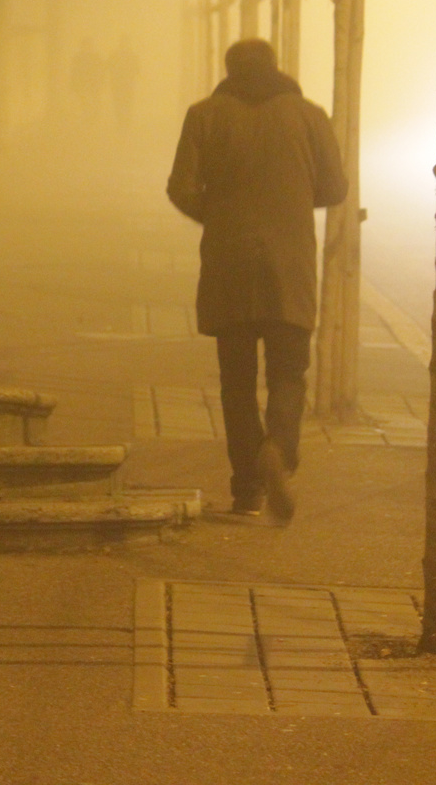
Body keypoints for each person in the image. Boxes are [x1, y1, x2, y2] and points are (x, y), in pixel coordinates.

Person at [166, 39, 347, 522]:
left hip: (229, 264)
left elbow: (179, 187)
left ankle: (247, 490)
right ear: (275, 67)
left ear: (228, 70)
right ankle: (279, 449)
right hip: (290, 265)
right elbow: (336, 187)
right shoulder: (309, 115)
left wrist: (220, 215)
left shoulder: (204, 115)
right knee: (289, 372)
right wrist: (288, 200)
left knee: (237, 381)